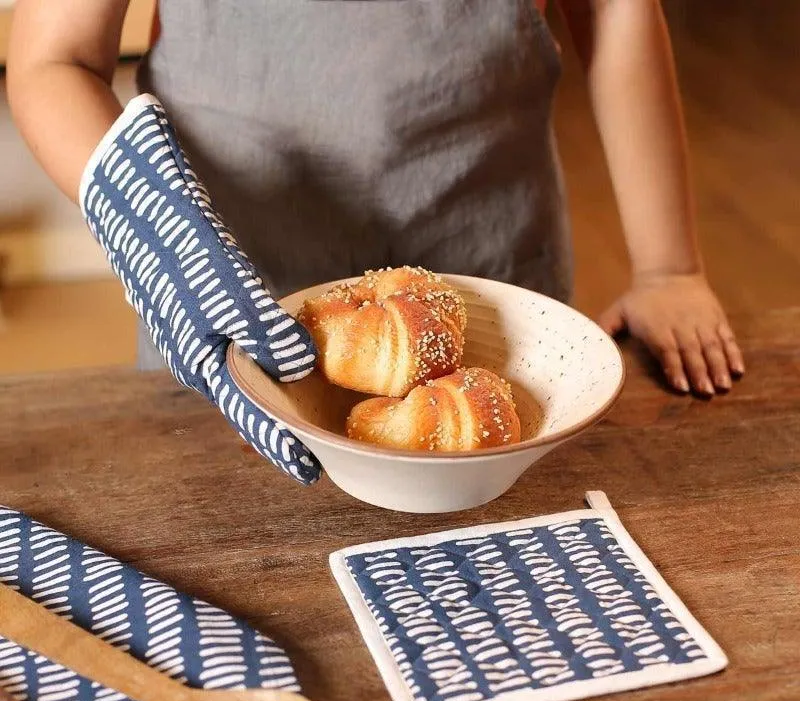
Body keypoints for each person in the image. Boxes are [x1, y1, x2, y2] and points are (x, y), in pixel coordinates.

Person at [6, 0, 744, 484]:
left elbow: (618, 17)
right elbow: (53, 60)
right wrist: (163, 242)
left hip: (490, 289)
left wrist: (668, 266)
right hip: (235, 311)